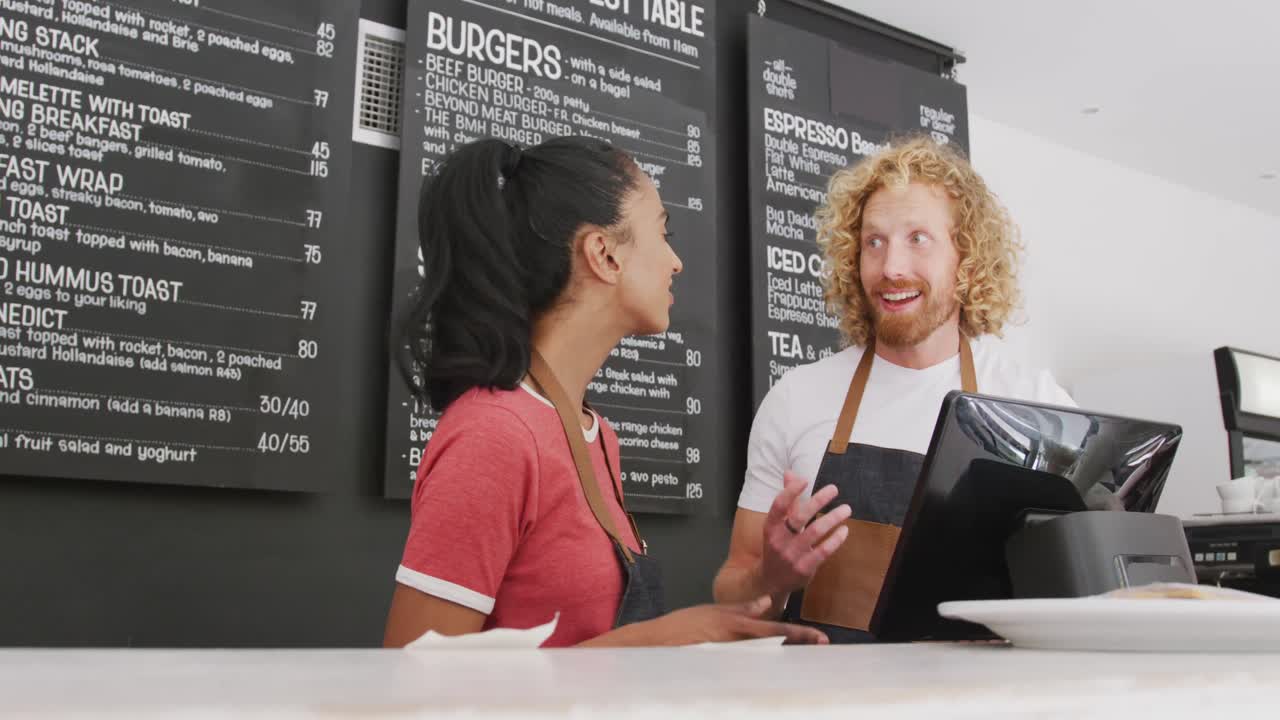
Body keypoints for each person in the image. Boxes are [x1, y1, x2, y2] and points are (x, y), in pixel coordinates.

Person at [383, 136, 826, 648]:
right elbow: (411, 682)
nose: (676, 261)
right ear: (604, 255)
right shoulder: (494, 436)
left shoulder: (596, 436)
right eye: (663, 233)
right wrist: (657, 643)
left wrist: (748, 598)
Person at [713, 136, 1074, 642]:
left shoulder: (1036, 406)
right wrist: (772, 578)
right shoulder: (799, 399)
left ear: (965, 257)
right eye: (874, 242)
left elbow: (1077, 585)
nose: (891, 268)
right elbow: (732, 591)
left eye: (918, 239)